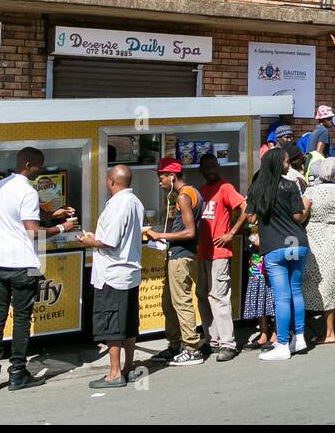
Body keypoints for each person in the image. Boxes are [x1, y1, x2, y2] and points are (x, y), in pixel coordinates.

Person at [0, 147, 78, 392]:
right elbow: (33, 232)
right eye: (39, 164)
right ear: (27, 163)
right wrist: (63, 227)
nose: (41, 169)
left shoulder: (0, 187)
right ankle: (17, 373)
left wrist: (53, 214)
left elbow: (17, 217)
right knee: (22, 320)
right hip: (22, 264)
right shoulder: (28, 191)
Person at [78, 166, 144, 388]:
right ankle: (128, 367)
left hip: (113, 274)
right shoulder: (135, 201)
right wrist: (98, 238)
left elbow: (110, 241)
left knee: (112, 325)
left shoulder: (119, 204)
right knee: (128, 322)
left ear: (111, 181)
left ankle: (115, 373)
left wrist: (90, 241)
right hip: (129, 272)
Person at [247, 147, 311, 360]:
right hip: (296, 242)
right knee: (296, 291)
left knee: (281, 298)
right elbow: (298, 216)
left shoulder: (257, 188)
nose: (288, 165)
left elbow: (251, 219)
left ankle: (282, 344)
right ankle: (299, 337)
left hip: (274, 247)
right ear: (277, 164)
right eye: (285, 162)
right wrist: (306, 206)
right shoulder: (290, 185)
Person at [144, 158, 203, 366]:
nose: (159, 182)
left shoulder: (185, 196)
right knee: (168, 303)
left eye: (161, 177)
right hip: (177, 255)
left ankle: (192, 349)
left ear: (172, 176)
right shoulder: (188, 193)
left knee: (181, 302)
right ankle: (175, 345)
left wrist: (159, 236)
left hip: (181, 255)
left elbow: (189, 231)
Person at [195, 153, 245, 362]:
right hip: (202, 252)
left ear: (218, 166)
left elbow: (245, 208)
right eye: (206, 167)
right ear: (202, 170)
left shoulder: (225, 188)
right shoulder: (202, 191)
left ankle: (228, 344)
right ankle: (211, 340)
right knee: (203, 297)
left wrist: (231, 233)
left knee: (219, 298)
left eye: (213, 166)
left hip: (219, 254)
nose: (210, 170)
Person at [301, 157, 335, 344]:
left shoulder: (311, 191)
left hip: (315, 237)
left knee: (321, 282)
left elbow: (301, 215)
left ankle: (329, 333)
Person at [241, 223, 276, 351]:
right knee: (258, 296)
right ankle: (263, 333)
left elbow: (259, 241)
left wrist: (252, 237)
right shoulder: (252, 213)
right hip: (256, 260)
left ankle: (276, 334)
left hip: (270, 258)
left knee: (272, 297)